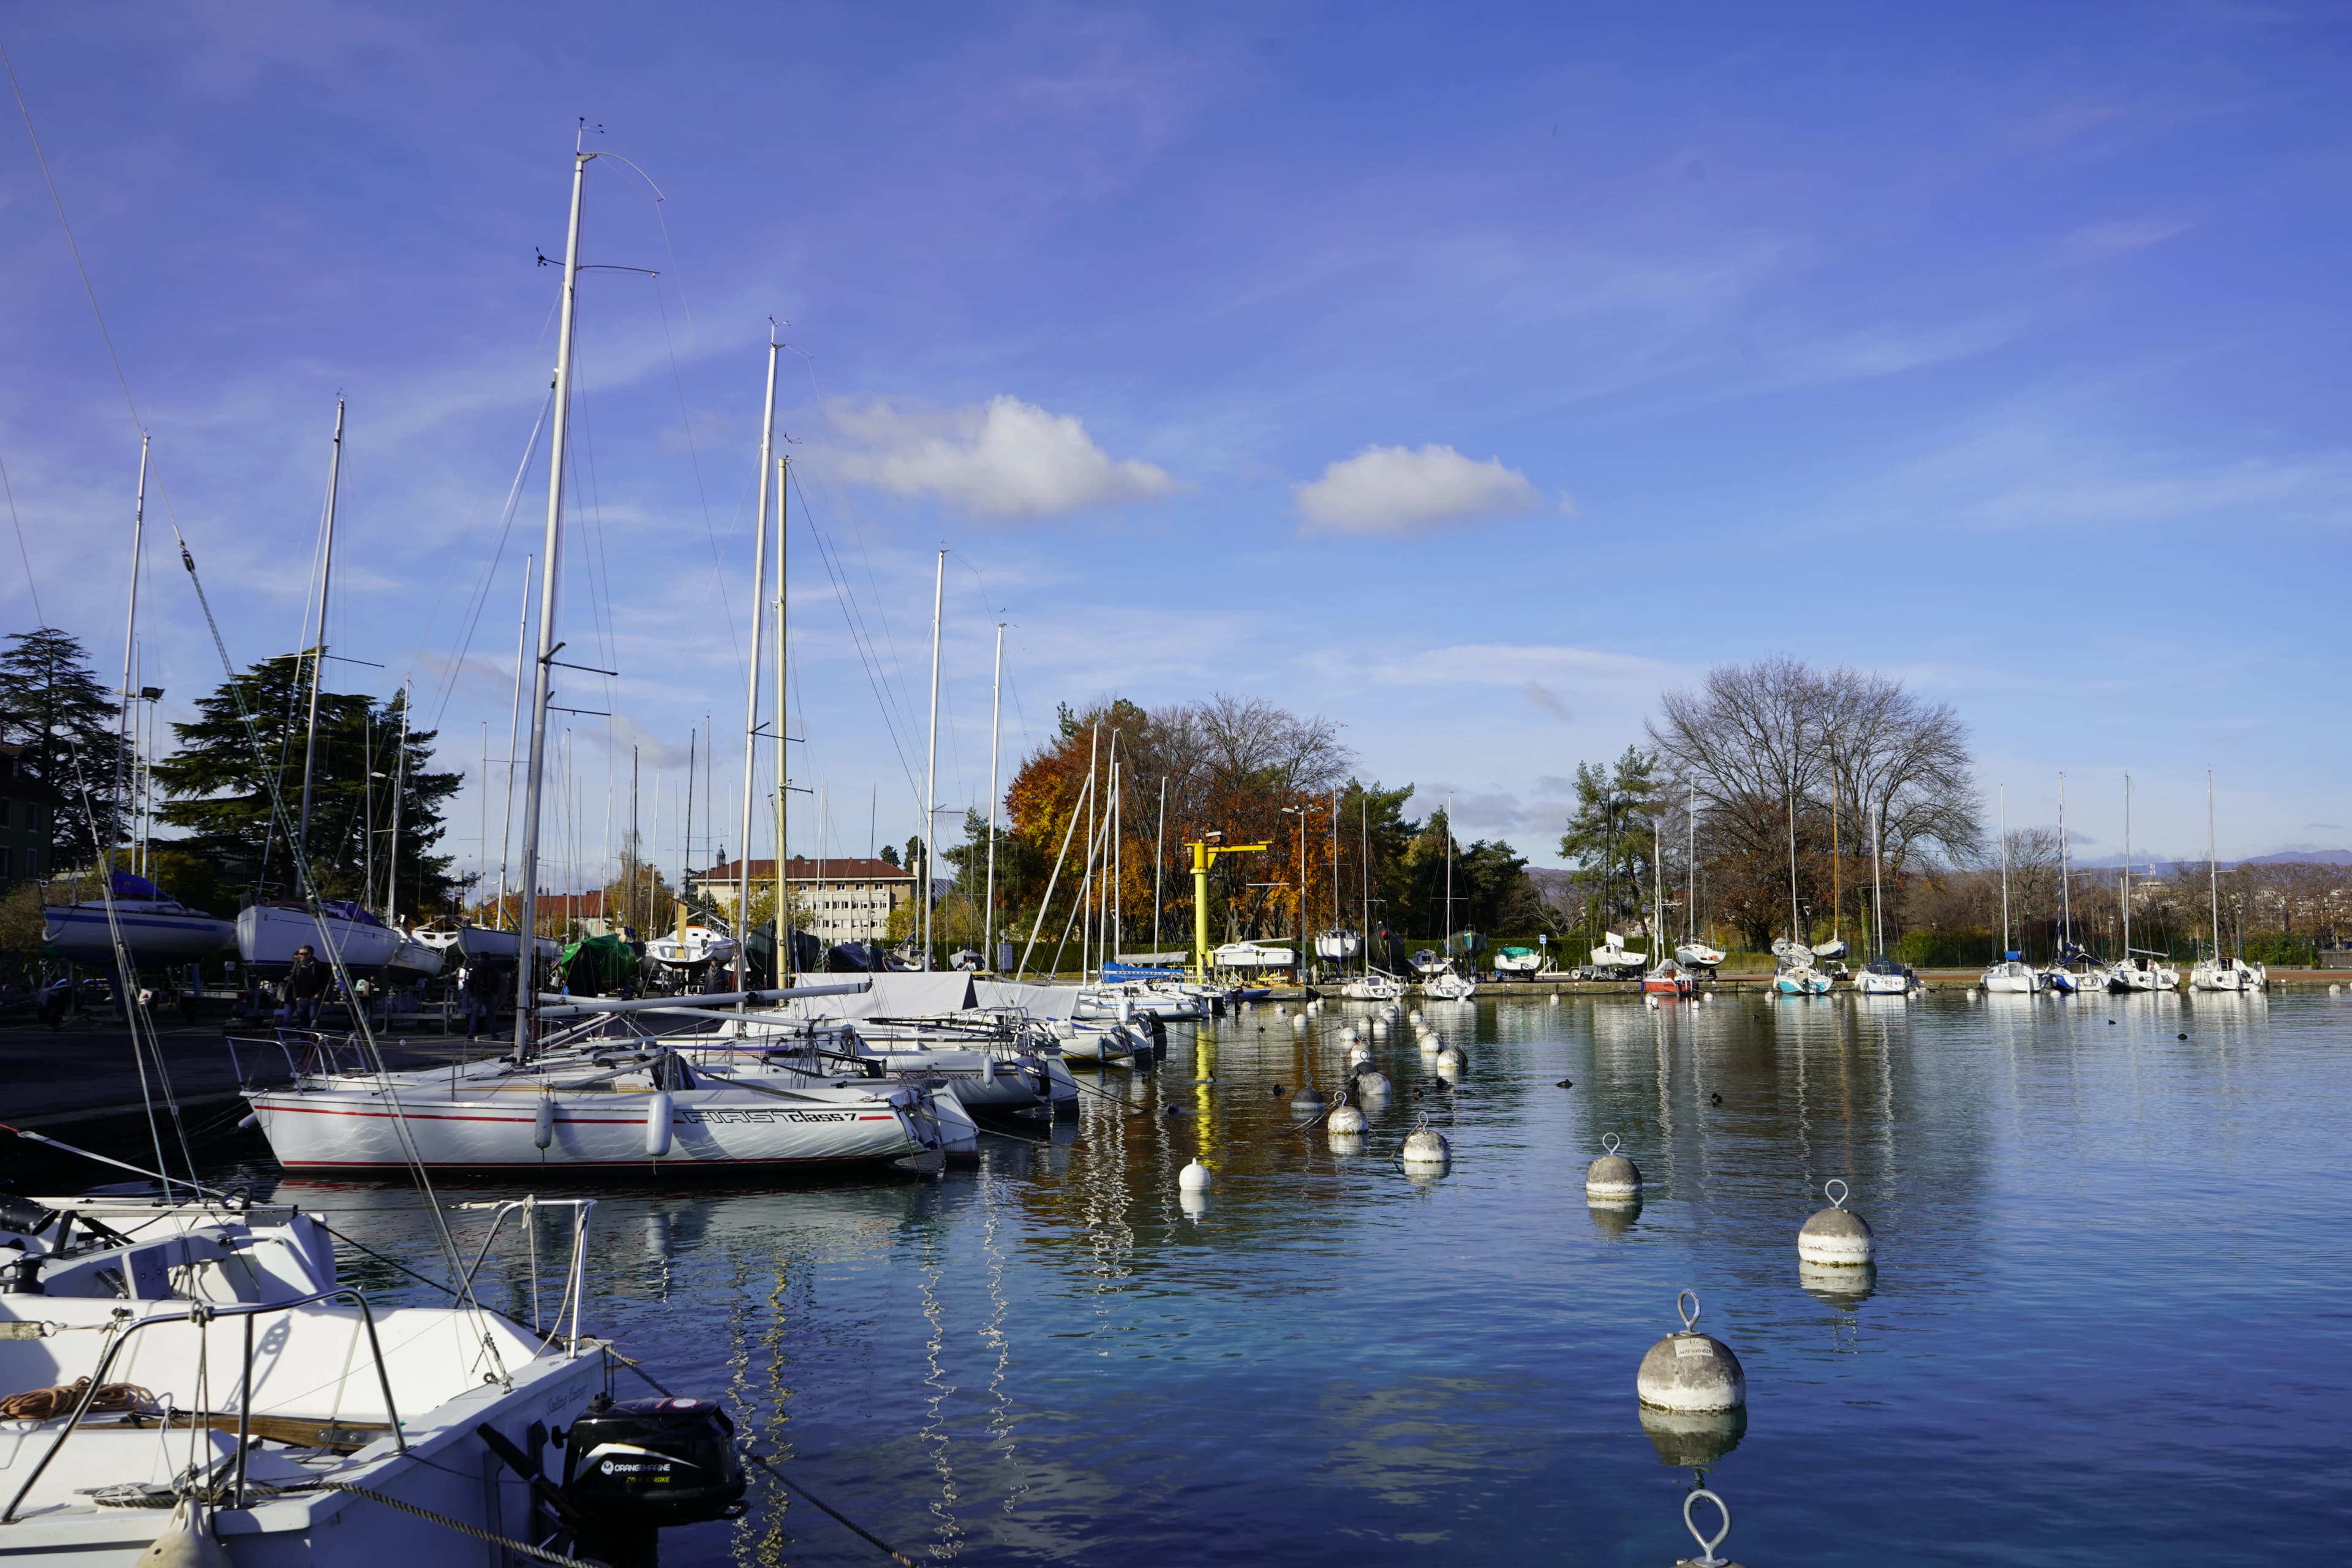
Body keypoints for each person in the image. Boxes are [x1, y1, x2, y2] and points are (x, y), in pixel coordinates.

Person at [282, 945, 330, 1030]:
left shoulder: (319, 966)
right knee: (303, 1022)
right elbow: (295, 983)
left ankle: (313, 1040)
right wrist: (296, 997)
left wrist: (319, 994)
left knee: (313, 1020)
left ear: (309, 955)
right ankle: (304, 1041)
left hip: (314, 998)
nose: (299, 956)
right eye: (299, 954)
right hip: (301, 999)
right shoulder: (297, 967)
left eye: (302, 954)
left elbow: (326, 982)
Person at [461, 961, 501, 1041]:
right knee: (491, 1016)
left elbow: (471, 983)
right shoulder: (494, 969)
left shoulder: (476, 969)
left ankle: (471, 1034)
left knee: (474, 1016)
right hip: (490, 995)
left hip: (478, 996)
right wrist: (496, 994)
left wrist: (471, 995)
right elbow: (498, 982)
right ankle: (494, 1035)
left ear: (481, 958)